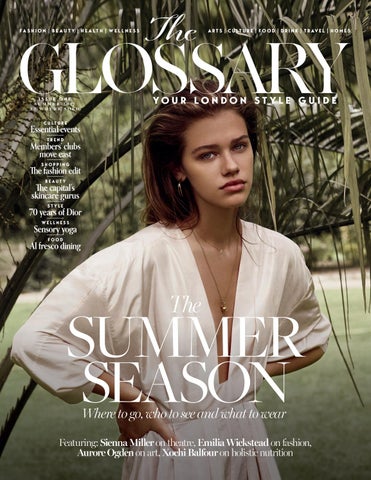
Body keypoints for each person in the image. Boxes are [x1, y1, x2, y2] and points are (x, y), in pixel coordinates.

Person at [11, 80, 331, 480]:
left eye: (239, 145)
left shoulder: (279, 254)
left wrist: (238, 381)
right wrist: (134, 397)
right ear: (178, 168)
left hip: (249, 445)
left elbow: (313, 340)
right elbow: (35, 341)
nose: (231, 165)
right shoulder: (138, 258)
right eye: (207, 154)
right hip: (175, 452)